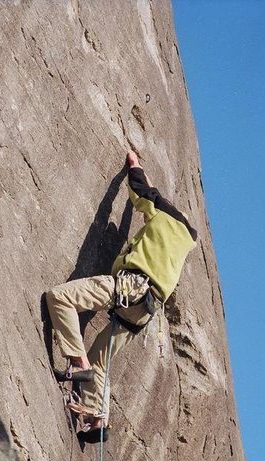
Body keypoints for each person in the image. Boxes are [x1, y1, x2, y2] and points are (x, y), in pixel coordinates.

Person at [46, 151, 197, 443]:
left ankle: (78, 364)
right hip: (145, 310)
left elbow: (142, 190)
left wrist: (134, 163)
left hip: (130, 288)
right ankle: (97, 417)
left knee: (59, 298)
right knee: (102, 359)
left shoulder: (165, 216)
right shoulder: (185, 238)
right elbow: (150, 198)